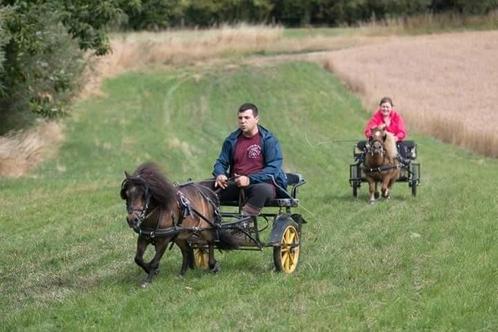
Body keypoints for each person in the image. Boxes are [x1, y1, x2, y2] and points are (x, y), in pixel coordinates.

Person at [212, 102, 287, 221]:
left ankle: (242, 225)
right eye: (240, 118)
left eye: (247, 117)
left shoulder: (269, 140)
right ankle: (206, 227)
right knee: (203, 189)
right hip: (235, 184)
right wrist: (220, 174)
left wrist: (249, 179)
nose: (242, 121)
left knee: (262, 190)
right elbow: (221, 162)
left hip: (261, 185)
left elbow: (273, 169)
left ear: (256, 119)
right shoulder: (231, 140)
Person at [359, 97, 413, 162]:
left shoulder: (397, 117)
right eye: (383, 107)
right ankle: (363, 162)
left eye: (387, 107)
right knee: (367, 147)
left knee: (401, 148)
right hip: (378, 141)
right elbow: (368, 131)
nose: (385, 109)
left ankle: (403, 164)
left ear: (391, 108)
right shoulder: (375, 117)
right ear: (380, 107)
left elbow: (402, 132)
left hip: (394, 142)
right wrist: (377, 129)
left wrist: (396, 137)